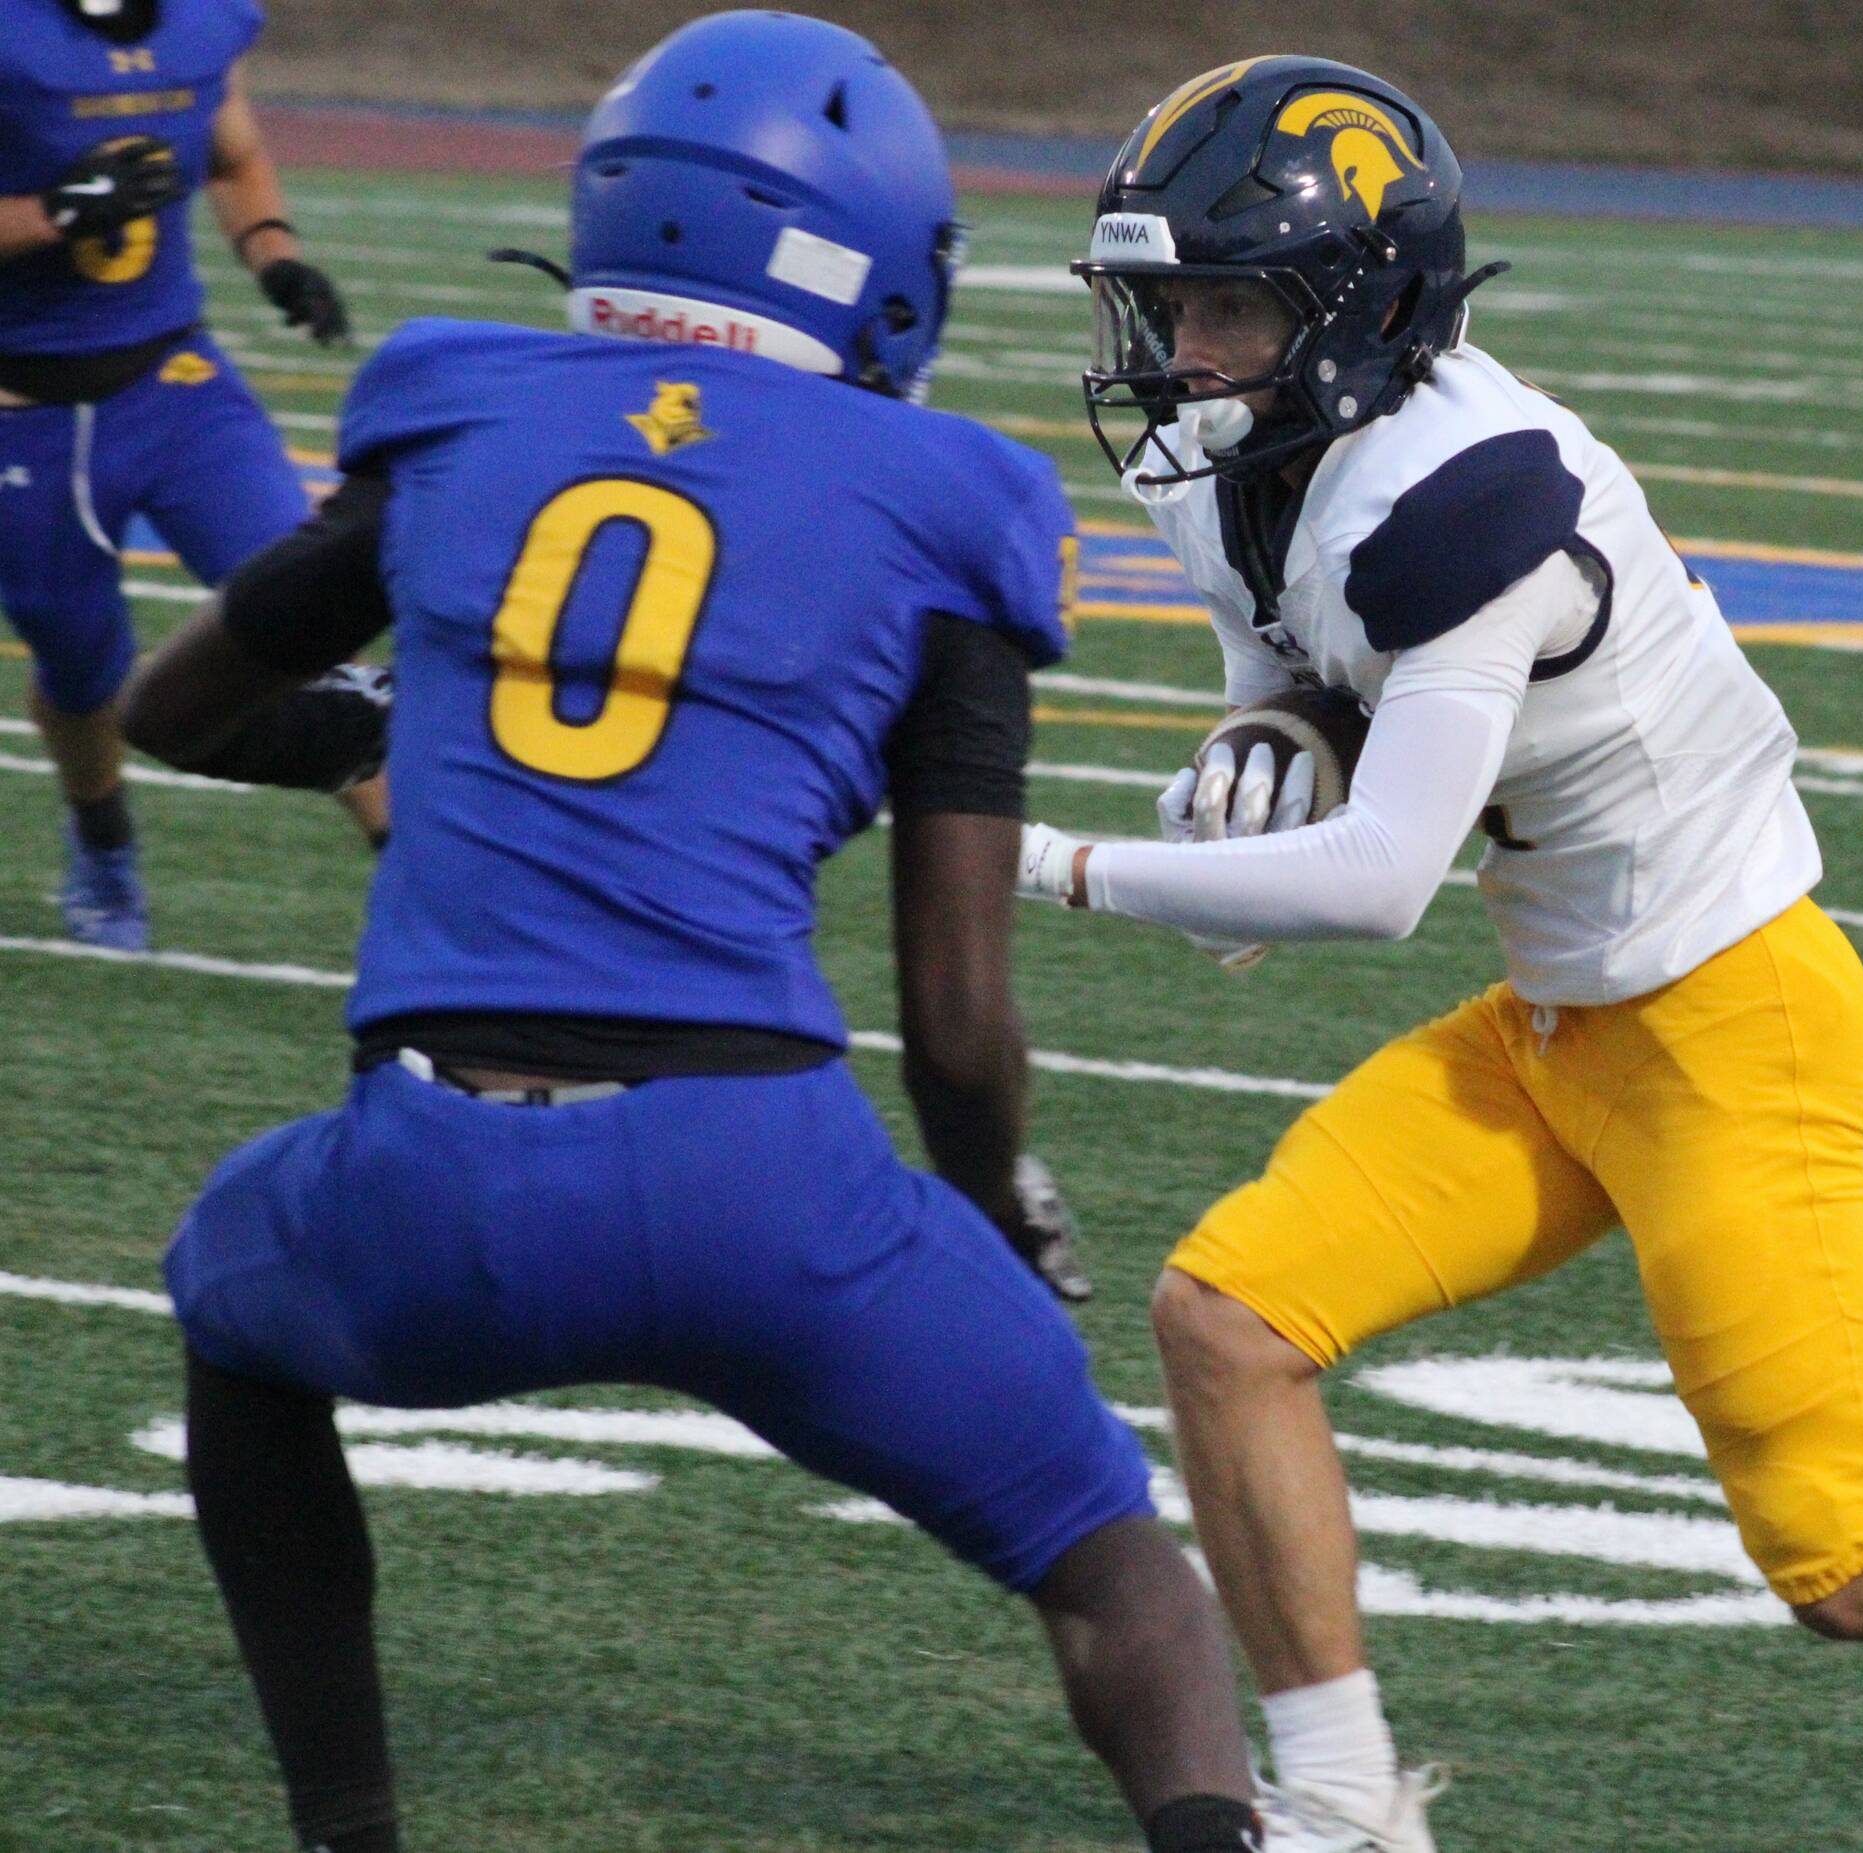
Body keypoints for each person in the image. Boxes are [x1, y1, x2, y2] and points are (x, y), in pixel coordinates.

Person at [119, 15, 1256, 1853]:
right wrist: (984, 1210)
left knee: (232, 1309)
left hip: (433, 1170)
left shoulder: (453, 400)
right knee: (1113, 1563)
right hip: (763, 1180)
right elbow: (956, 1021)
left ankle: (349, 1829)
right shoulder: (952, 496)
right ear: (871, 263)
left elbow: (177, 711)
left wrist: (384, 730)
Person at [1018, 55, 1863, 1853]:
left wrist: (1037, 861)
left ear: (1359, 312)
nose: (1181, 348)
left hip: (1730, 1022)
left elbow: (1371, 887)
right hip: (1561, 1015)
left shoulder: (1465, 501)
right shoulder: (1241, 461)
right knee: (1226, 1318)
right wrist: (1272, 743)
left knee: (1849, 1559)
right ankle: (1344, 1808)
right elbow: (1295, 668)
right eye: (1168, 299)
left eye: (1230, 302)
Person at [0, 0, 361, 951]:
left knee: (308, 603)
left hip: (176, 379)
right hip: (29, 413)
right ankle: (104, 839)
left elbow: (232, 153)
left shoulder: (205, 24)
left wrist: (277, 256)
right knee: (81, 669)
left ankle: (421, 873)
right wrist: (52, 215)